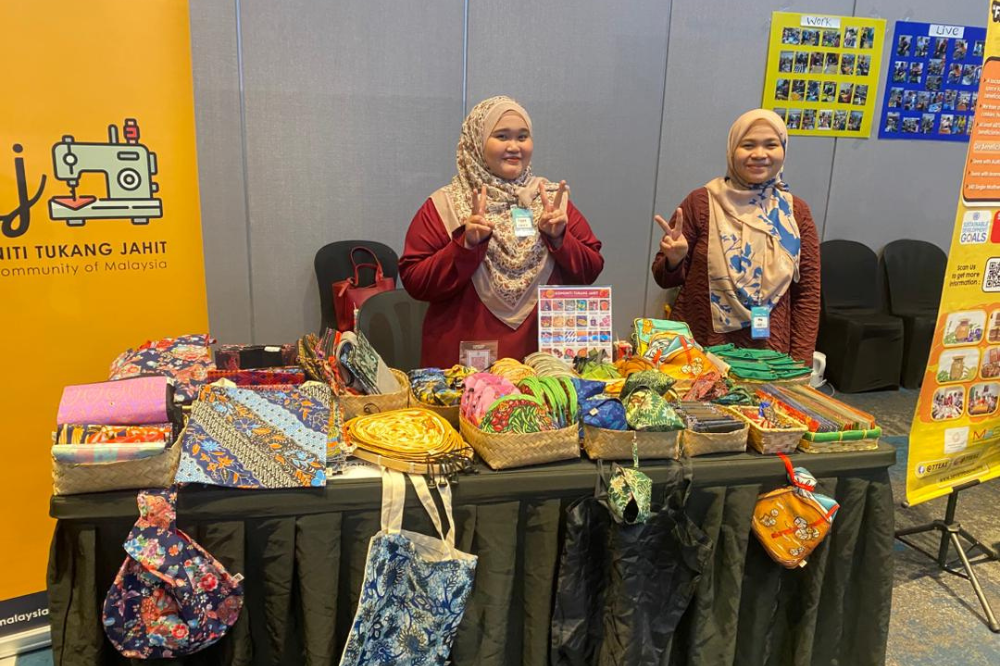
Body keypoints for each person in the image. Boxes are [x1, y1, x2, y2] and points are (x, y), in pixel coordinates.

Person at [401, 96, 604, 367]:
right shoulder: (446, 205)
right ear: (476, 141)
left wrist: (560, 239)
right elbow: (415, 281)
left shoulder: (551, 200)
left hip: (540, 369)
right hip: (463, 372)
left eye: (522, 136)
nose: (514, 147)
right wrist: (465, 246)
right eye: (501, 136)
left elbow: (591, 269)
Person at [650, 109, 820, 363]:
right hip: (702, 347)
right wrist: (674, 260)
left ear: (783, 150)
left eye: (771, 144)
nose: (759, 154)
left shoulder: (795, 212)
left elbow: (807, 295)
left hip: (769, 353)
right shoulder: (702, 202)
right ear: (732, 150)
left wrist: (801, 363)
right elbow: (663, 278)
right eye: (748, 145)